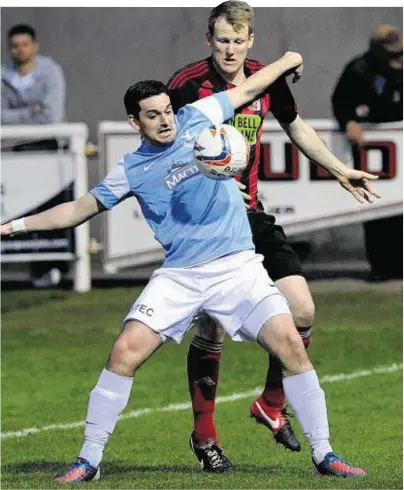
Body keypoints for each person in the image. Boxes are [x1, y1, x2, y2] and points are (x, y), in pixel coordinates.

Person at [1, 52, 375, 483]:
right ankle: (88, 460)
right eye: (152, 115)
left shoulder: (198, 116)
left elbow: (251, 88)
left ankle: (325, 454)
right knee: (124, 353)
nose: (165, 121)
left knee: (291, 343)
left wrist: (287, 58)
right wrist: (11, 227)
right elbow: (77, 210)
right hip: (180, 277)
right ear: (133, 122)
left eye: (166, 111)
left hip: (238, 267)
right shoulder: (131, 169)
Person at [167, 1, 380, 471]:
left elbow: (295, 125)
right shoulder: (185, 86)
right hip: (204, 225)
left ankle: (271, 401)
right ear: (209, 40)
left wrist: (340, 169)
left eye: (237, 41)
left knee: (302, 309)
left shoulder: (265, 79)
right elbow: (165, 148)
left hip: (252, 217)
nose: (229, 49)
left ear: (250, 42)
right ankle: (204, 440)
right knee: (210, 325)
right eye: (221, 40)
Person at [332, 24, 403, 282]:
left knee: (399, 212)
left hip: (398, 153)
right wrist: (349, 121)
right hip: (372, 154)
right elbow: (341, 101)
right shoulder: (358, 70)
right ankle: (381, 266)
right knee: (375, 210)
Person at [1, 23, 68, 288]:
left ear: (35, 46)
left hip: (49, 150)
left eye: (25, 44)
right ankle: (35, 269)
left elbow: (51, 115)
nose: (20, 50)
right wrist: (32, 112)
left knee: (50, 208)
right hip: (17, 151)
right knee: (22, 209)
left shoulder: (51, 73)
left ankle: (55, 268)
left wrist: (17, 117)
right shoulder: (4, 75)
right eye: (15, 45)